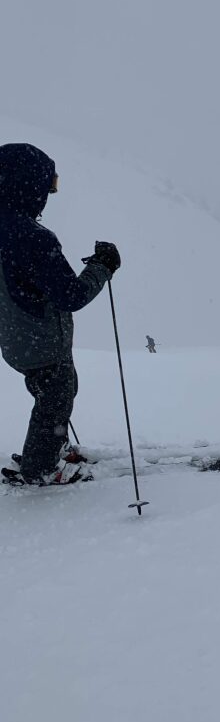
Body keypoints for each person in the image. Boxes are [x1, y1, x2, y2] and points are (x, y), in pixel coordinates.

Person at [0, 143, 120, 486]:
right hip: (41, 340)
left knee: (52, 394)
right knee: (55, 399)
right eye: (47, 187)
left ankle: (50, 447)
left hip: (15, 338)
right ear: (26, 185)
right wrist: (103, 266)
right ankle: (42, 467)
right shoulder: (33, 237)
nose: (47, 196)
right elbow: (71, 296)